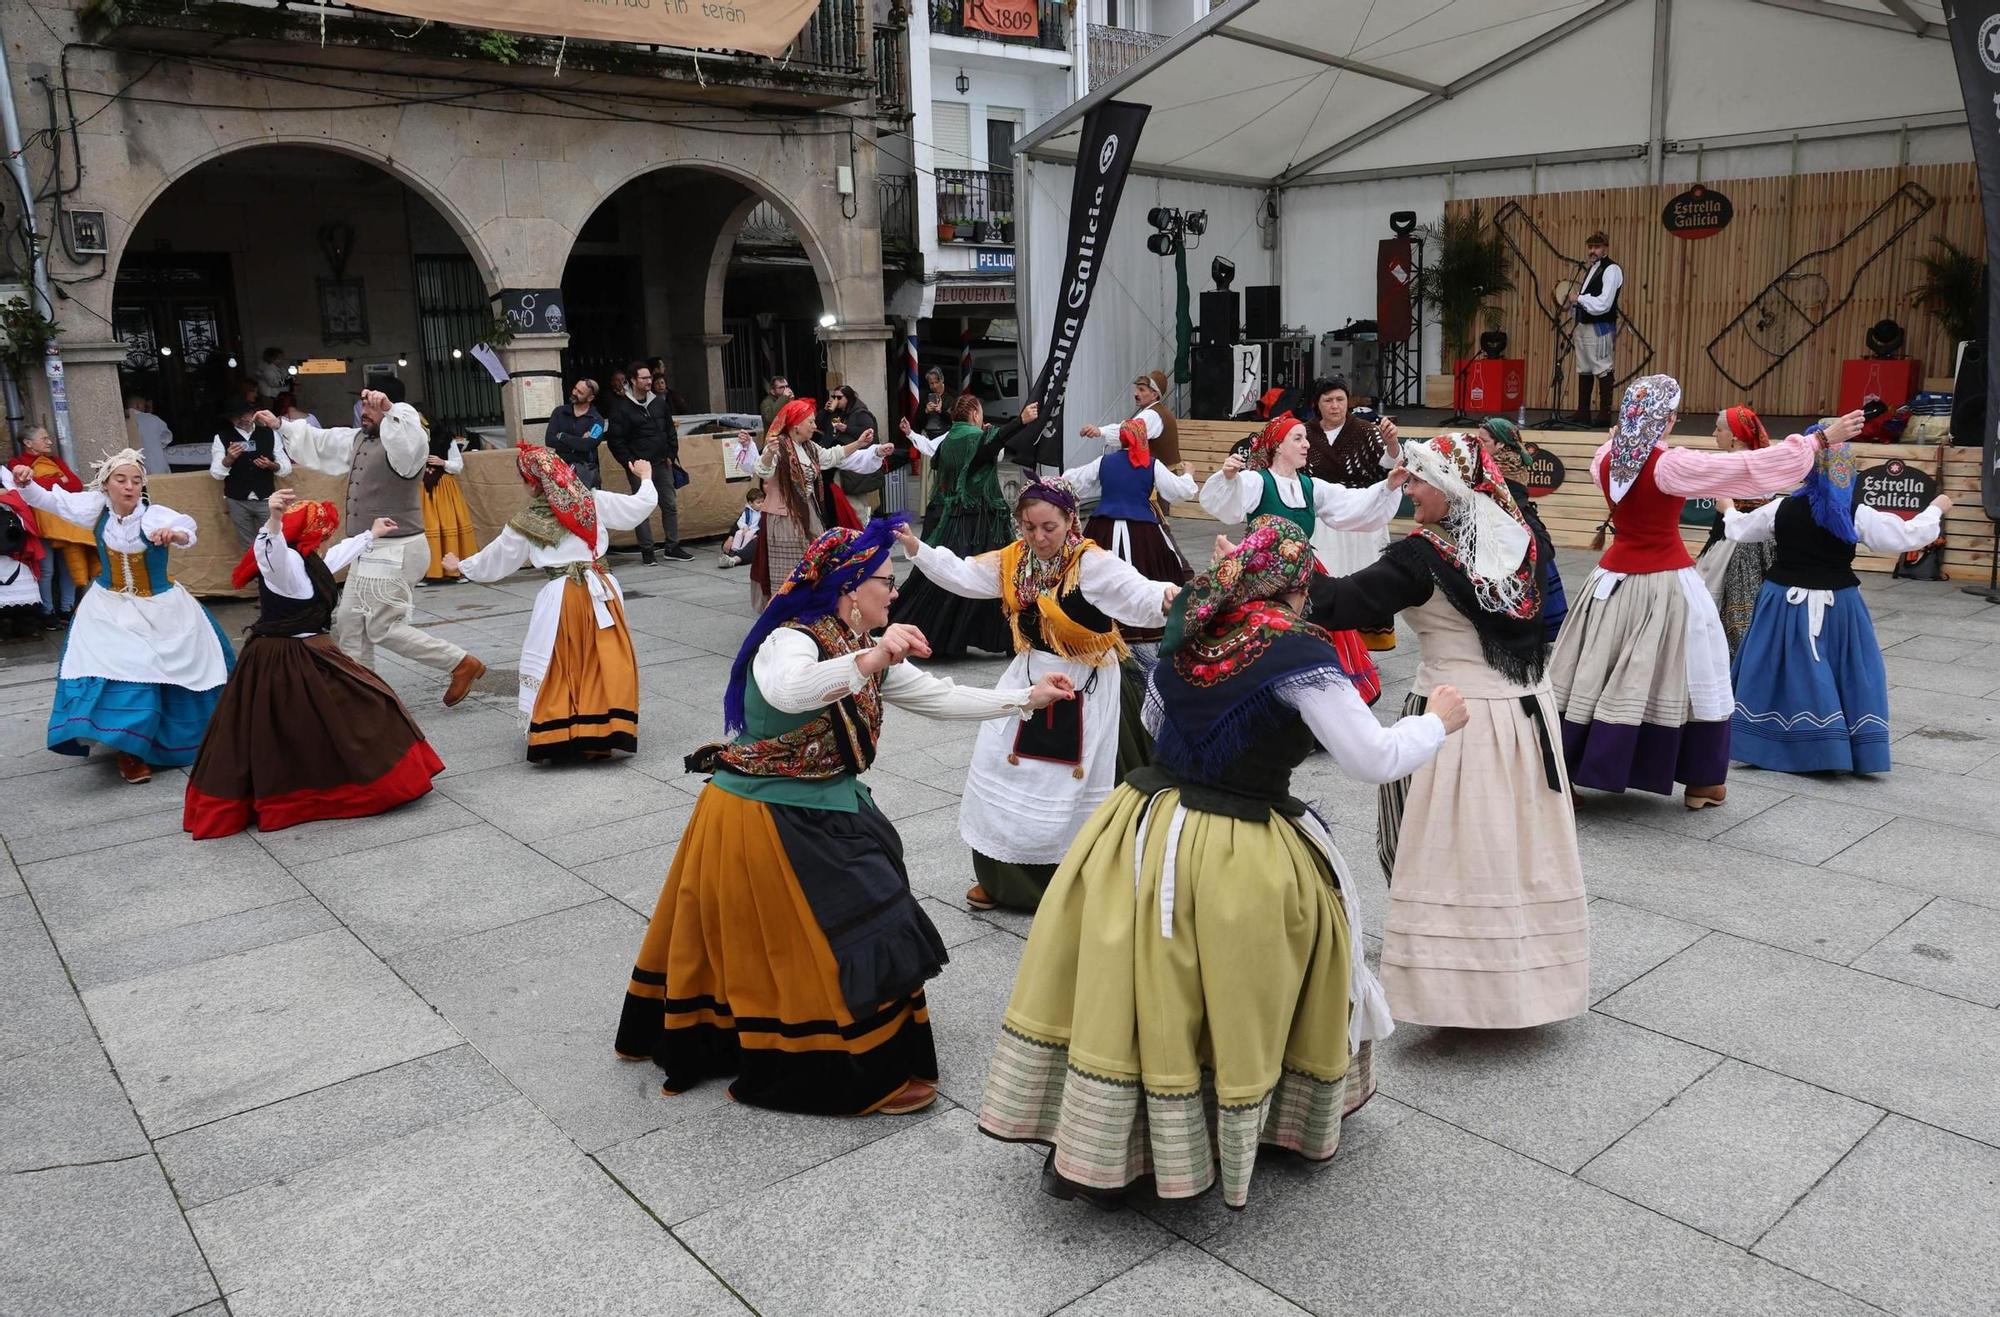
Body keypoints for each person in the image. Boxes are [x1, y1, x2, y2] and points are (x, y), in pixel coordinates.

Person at [977, 516, 1464, 1209]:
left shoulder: (1194, 625)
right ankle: (1230, 1125)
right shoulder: (1299, 651)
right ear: (1297, 587)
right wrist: (1435, 721)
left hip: (1143, 826)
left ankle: (1116, 1135)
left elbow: (1153, 723)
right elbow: (1372, 758)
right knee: (1240, 983)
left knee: (1139, 983)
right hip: (1240, 839)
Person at [616, 516, 1077, 1117]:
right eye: (886, 581)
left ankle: (861, 1056)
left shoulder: (862, 644)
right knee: (822, 936)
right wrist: (871, 659)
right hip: (762, 812)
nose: (895, 592)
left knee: (860, 920)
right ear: (850, 588)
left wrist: (1027, 698)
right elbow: (790, 690)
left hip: (822, 802)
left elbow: (940, 696)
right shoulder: (792, 637)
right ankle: (820, 1069)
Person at [1305, 434, 1587, 1029]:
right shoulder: (1521, 537)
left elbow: (1336, 603)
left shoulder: (1422, 557)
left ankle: (1453, 990)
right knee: (1511, 850)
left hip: (1452, 716)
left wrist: (1263, 560)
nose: (1409, 491)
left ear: (1452, 484)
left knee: (1437, 846)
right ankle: (1520, 983)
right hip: (1524, 714)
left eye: (1419, 480)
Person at [1548, 375, 1849, 809]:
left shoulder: (1604, 459)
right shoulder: (1670, 465)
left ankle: (1567, 765)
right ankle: (1703, 780)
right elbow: (1745, 470)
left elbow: (1623, 449)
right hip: (1663, 582)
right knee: (1690, 670)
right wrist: (1820, 439)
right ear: (1668, 419)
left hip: (1610, 580)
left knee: (1589, 669)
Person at [896, 476, 1178, 912]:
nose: (1038, 536)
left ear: (1071, 520)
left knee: (1071, 783)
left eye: (1049, 526)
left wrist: (1164, 596)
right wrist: (919, 548)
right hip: (1028, 680)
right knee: (1006, 770)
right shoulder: (1014, 560)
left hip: (1088, 684)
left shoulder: (1092, 564)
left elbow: (1135, 590)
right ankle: (1004, 879)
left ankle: (1077, 882)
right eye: (1029, 527)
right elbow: (968, 574)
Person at [183, 492, 444, 837]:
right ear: (309, 534)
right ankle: (311, 796)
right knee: (291, 728)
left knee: (363, 703)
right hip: (283, 659)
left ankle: (354, 783)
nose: (327, 540)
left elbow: (335, 558)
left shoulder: (308, 559)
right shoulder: (283, 565)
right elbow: (270, 550)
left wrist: (371, 534)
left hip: (312, 651)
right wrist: (274, 520)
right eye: (324, 532)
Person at [1721, 438, 1950, 775]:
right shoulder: (1855, 512)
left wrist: (1727, 508)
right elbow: (1906, 536)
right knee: (1843, 669)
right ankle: (1830, 746)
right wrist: (1937, 508)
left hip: (1782, 601)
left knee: (1776, 669)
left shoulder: (1781, 508)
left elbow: (1740, 531)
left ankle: (1770, 742)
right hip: (1838, 605)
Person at [9, 450, 234, 783]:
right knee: (120, 668)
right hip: (108, 605)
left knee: (173, 667)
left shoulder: (153, 516)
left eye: (136, 480)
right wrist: (24, 482)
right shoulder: (95, 510)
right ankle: (130, 749)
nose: (130, 486)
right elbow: (50, 501)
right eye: (121, 479)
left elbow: (187, 529)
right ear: (106, 484)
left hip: (160, 605)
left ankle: (169, 738)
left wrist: (175, 535)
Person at [256, 389, 488, 706]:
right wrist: (279, 426)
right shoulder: (359, 439)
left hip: (397, 548)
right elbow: (321, 441)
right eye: (363, 405)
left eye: (371, 405)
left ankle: (460, 663)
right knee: (351, 621)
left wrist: (391, 409)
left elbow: (410, 439)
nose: (365, 410)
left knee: (383, 626)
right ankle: (359, 693)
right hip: (369, 547)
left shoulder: (404, 446)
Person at [445, 447, 662, 762]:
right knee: (601, 662)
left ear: (533, 483)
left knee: (560, 664)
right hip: (600, 590)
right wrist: (646, 476)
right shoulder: (594, 501)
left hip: (561, 598)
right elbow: (641, 506)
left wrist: (460, 565)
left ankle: (560, 733)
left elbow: (495, 561)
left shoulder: (527, 521)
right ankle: (601, 733)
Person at [1198, 413, 1405, 705]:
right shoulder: (1257, 481)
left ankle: (1318, 707)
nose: (1307, 444)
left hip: (1304, 574)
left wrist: (1388, 486)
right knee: (1264, 642)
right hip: (1263, 574)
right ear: (1278, 446)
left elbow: (1351, 504)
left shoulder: (1311, 486)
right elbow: (1228, 507)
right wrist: (1228, 478)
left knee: (1318, 632)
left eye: (1305, 438)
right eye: (1298, 438)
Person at [888, 395, 1032, 656]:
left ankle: (939, 636)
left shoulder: (947, 441)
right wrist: (1020, 421)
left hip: (953, 518)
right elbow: (994, 443)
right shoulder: (974, 438)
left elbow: (956, 464)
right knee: (998, 575)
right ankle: (1004, 637)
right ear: (975, 414)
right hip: (982, 521)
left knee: (947, 576)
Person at [727, 397, 889, 608]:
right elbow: (762, 470)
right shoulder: (779, 446)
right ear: (796, 425)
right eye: (810, 421)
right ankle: (785, 611)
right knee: (790, 566)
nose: (814, 425)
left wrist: (859, 443)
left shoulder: (809, 447)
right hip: (784, 516)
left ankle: (807, 607)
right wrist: (769, 454)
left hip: (809, 511)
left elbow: (832, 456)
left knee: (814, 561)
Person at [1059, 409, 1196, 649]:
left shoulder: (1104, 462)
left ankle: (1098, 621)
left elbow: (1071, 481)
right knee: (1148, 573)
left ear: (1120, 438)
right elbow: (1178, 491)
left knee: (1095, 572)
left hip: (1104, 527)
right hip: (1142, 530)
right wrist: (1189, 475)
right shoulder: (1151, 464)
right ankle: (1144, 624)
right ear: (1144, 439)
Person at [1295, 377, 1399, 651]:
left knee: (1365, 575)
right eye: (1327, 400)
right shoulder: (1303, 433)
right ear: (1317, 404)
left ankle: (1367, 641)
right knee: (1326, 577)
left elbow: (1389, 465)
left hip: (1364, 515)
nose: (1334, 405)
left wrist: (1392, 445)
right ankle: (1325, 638)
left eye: (1340, 399)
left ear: (1348, 402)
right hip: (1323, 518)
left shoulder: (1367, 431)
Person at [1694, 405, 1779, 657]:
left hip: (1732, 544)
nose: (1714, 434)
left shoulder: (1728, 463)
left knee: (1718, 602)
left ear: (1735, 436)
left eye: (1719, 429)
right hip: (1763, 544)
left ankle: (1727, 660)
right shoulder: (1763, 460)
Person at [1477, 416, 1568, 641]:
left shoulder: (1502, 466)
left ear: (1500, 444)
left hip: (1513, 531)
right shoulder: (1499, 461)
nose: (1479, 445)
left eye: (1484, 441)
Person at [605, 361, 688, 562]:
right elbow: (616, 440)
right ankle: (647, 551)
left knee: (669, 504)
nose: (649, 381)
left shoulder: (659, 402)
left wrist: (670, 453)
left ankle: (672, 546)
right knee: (641, 508)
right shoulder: (621, 407)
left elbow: (669, 429)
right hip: (640, 467)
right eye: (644, 378)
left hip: (662, 462)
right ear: (633, 380)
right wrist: (629, 463)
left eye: (650, 377)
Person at [16, 426, 95, 630]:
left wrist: (43, 482)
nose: (50, 442)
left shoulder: (55, 460)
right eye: (44, 438)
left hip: (64, 520)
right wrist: (59, 480)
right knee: (47, 569)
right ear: (28, 443)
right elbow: (23, 487)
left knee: (68, 565)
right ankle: (47, 611)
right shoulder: (17, 463)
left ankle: (67, 609)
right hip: (40, 524)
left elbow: (76, 485)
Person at [209, 395, 293, 549]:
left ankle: (276, 572)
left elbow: (286, 468)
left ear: (253, 413)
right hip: (237, 500)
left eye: (244, 414)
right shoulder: (221, 438)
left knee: (276, 540)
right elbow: (216, 473)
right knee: (249, 546)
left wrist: (271, 465)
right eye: (235, 417)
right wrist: (229, 459)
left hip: (266, 498)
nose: (241, 419)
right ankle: (255, 573)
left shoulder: (270, 434)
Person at [1566, 231, 1623, 426]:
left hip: (1600, 326)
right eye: (1590, 247)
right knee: (1584, 368)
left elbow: (1604, 303)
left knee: (1602, 367)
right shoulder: (1591, 269)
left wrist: (1579, 298)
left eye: (1597, 247)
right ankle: (1583, 412)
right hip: (1584, 324)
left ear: (1605, 248)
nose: (1593, 251)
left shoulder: (1612, 269)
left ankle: (1605, 414)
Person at [420, 431, 478, 585]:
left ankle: (456, 570)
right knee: (427, 528)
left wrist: (443, 462)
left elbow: (458, 465)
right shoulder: (409, 438)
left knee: (449, 524)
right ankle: (428, 572)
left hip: (444, 488)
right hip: (422, 489)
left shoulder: (445, 438)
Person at [828, 387, 886, 521]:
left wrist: (847, 428)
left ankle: (862, 530)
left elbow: (869, 432)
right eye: (834, 397)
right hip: (848, 465)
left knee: (857, 505)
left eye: (839, 397)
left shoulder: (861, 413)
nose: (836, 400)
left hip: (858, 465)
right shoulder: (843, 413)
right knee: (854, 502)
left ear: (849, 398)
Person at [545, 378, 605, 488]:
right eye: (575, 389)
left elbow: (588, 445)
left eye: (580, 392)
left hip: (586, 474)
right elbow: (549, 440)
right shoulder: (559, 412)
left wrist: (562, 436)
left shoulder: (597, 419)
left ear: (590, 398)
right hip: (561, 470)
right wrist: (579, 442)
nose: (574, 393)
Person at [125, 391, 175, 477]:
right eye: (144, 405)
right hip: (156, 467)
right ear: (138, 404)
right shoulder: (153, 419)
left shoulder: (122, 420)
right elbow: (167, 438)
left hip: (133, 468)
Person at [719, 487, 763, 569]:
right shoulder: (747, 511)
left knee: (753, 542)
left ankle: (736, 559)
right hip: (746, 530)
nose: (761, 504)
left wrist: (756, 534)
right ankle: (734, 551)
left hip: (756, 533)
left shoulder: (763, 511)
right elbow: (739, 522)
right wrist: (731, 537)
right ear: (750, 503)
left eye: (762, 502)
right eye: (758, 502)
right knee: (737, 534)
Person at [917, 367, 950, 440]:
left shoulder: (952, 396)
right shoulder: (924, 396)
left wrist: (941, 411)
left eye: (936, 382)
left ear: (942, 380)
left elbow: (954, 420)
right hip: (927, 435)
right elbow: (917, 423)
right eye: (931, 383)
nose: (934, 386)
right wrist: (926, 411)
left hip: (945, 435)